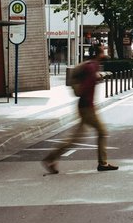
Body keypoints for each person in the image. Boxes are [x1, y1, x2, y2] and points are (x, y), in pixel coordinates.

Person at [43, 43, 118, 174]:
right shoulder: (92, 67)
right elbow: (86, 86)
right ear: (98, 53)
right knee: (102, 132)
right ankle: (103, 163)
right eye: (103, 50)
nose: (104, 52)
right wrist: (94, 80)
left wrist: (96, 77)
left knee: (75, 138)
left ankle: (51, 158)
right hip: (87, 107)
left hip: (84, 106)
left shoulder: (90, 65)